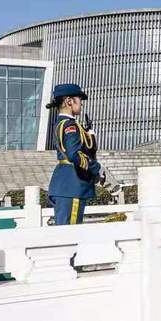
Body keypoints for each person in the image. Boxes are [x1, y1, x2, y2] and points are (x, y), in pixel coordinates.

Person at [45, 83, 103, 225]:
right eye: (79, 99)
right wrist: (96, 168)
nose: (81, 104)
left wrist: (90, 137)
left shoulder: (63, 123)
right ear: (69, 101)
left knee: (66, 233)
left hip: (66, 186)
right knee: (70, 234)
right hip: (72, 185)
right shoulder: (70, 125)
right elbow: (73, 155)